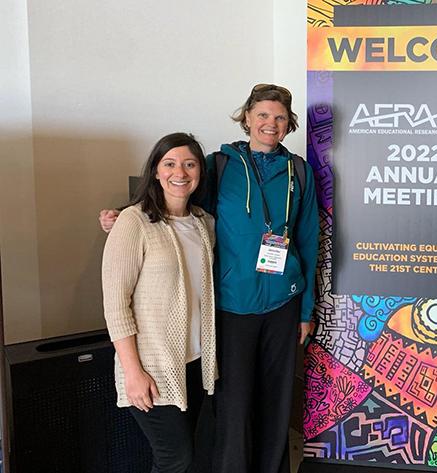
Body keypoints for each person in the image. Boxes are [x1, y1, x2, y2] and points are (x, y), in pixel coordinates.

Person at [100, 84, 319, 473]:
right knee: (232, 406)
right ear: (247, 118)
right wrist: (123, 214)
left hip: (283, 305)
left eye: (280, 117)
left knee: (276, 402)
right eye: (263, 115)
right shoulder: (221, 164)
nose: (271, 124)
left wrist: (305, 311)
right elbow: (177, 198)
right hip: (230, 306)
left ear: (289, 125)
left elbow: (307, 237)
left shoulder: (298, 171)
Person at [102, 132, 218, 473]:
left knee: (188, 456)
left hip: (196, 364)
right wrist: (132, 372)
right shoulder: (133, 222)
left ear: (199, 173)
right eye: (169, 163)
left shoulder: (203, 223)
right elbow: (115, 304)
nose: (179, 172)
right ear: (155, 170)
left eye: (189, 164)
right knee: (174, 458)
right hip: (151, 368)